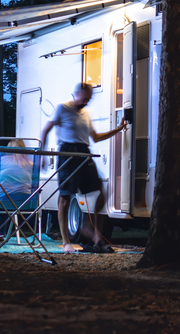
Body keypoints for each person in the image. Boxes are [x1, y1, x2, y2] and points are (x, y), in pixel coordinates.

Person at [40, 82, 127, 253]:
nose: (87, 102)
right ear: (77, 94)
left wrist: (118, 129)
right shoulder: (62, 108)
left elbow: (95, 137)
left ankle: (96, 237)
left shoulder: (86, 113)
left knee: (101, 190)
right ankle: (66, 242)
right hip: (67, 151)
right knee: (65, 198)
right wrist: (43, 155)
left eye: (89, 99)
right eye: (85, 98)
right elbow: (45, 130)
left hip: (84, 151)